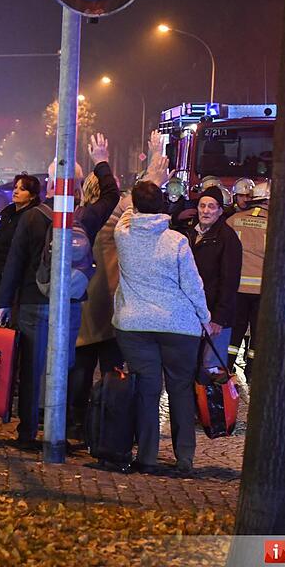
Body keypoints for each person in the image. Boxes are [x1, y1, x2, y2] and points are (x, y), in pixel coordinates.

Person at [0, 134, 118, 450]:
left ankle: (27, 432)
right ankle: (58, 433)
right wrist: (101, 160)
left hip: (34, 302)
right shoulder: (85, 217)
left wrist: (4, 302)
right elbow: (112, 194)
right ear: (78, 188)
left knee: (31, 369)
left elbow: (15, 260)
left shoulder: (32, 217)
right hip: (70, 304)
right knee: (63, 368)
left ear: (50, 183)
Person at [113, 181, 217, 475]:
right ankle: (184, 458)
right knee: (180, 390)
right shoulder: (176, 241)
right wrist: (204, 315)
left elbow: (126, 212)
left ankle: (146, 457)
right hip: (178, 326)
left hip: (134, 324)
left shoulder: (124, 234)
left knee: (147, 391)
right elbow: (193, 285)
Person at [70, 153, 171, 444]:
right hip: (112, 307)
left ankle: (76, 427)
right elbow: (133, 207)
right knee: (114, 372)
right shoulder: (114, 221)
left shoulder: (80, 217)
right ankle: (110, 428)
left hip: (84, 306)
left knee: (80, 369)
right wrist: (153, 172)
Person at [183, 186, 242, 381]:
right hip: (192, 312)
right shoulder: (191, 234)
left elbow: (229, 280)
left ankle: (210, 410)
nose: (206, 210)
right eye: (202, 206)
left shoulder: (227, 238)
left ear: (219, 211)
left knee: (210, 370)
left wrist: (219, 317)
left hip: (215, 316)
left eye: (211, 206)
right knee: (190, 366)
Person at [226, 181, 270, 373]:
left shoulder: (233, 220)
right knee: (259, 332)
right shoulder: (276, 224)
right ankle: (253, 369)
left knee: (235, 328)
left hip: (237, 288)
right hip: (263, 290)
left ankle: (226, 365)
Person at [0, 174, 42, 295]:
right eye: (15, 187)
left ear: (32, 196)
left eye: (22, 189)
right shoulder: (8, 214)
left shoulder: (31, 218)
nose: (16, 191)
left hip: (19, 283)